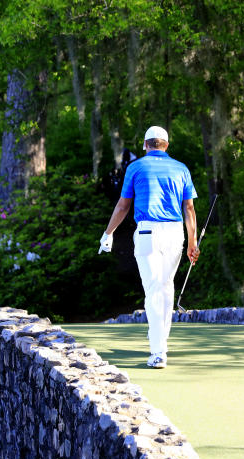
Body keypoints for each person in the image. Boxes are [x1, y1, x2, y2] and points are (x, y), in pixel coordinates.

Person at [98, 125, 199, 369]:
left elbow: (123, 206)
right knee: (164, 288)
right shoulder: (181, 168)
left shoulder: (136, 167)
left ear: (145, 145)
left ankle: (158, 351)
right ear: (166, 145)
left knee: (154, 290)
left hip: (147, 233)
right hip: (176, 234)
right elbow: (189, 209)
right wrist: (193, 243)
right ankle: (160, 340)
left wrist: (107, 233)